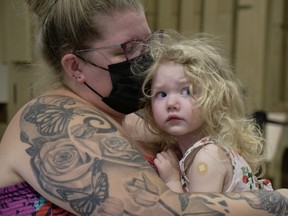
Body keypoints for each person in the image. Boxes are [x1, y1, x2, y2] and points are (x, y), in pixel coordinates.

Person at [0, 0, 287, 215]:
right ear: (75, 66)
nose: (145, 57)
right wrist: (282, 200)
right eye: (126, 49)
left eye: (147, 43)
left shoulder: (134, 122)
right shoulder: (55, 121)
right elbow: (161, 210)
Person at [140, 30, 273, 193]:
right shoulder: (199, 150)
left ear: (215, 98)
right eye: (161, 94)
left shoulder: (208, 158)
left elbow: (195, 211)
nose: (171, 103)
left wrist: (171, 180)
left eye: (186, 91)